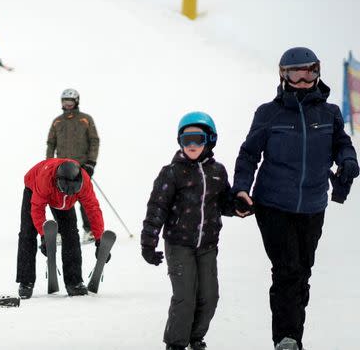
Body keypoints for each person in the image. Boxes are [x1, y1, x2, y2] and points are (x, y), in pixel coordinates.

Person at [232, 47, 358, 350]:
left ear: (317, 73)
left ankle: (293, 338)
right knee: (287, 269)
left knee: (302, 272)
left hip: (313, 205)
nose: (303, 80)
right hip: (273, 204)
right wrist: (241, 189)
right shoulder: (269, 113)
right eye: (295, 74)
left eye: (309, 72)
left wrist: (349, 159)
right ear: (283, 75)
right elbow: (249, 154)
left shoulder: (329, 113)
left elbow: (341, 143)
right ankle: (286, 339)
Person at [141, 112, 235, 350]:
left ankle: (195, 337)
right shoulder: (171, 172)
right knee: (185, 297)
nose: (192, 145)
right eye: (186, 140)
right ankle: (176, 343)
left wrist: (240, 206)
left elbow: (225, 203)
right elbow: (156, 208)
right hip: (179, 244)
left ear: (210, 140)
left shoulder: (218, 172)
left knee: (209, 297)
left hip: (207, 246)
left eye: (198, 139)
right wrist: (148, 243)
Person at [16, 158, 105, 299]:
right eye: (65, 190)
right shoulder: (45, 179)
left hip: (65, 203)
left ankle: (74, 282)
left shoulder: (85, 183)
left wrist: (100, 239)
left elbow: (93, 209)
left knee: (71, 234)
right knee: (27, 232)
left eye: (72, 191)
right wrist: (44, 235)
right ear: (57, 182)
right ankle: (25, 281)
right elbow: (37, 209)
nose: (67, 193)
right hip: (33, 188)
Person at [46, 88, 100, 243]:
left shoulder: (85, 119)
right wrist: (49, 163)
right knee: (60, 199)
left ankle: (89, 230)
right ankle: (63, 231)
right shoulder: (57, 121)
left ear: (76, 102)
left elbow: (94, 141)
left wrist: (91, 162)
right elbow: (51, 144)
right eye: (65, 101)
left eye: (70, 101)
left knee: (84, 199)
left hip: (81, 166)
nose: (67, 104)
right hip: (61, 168)